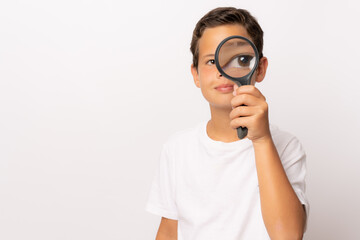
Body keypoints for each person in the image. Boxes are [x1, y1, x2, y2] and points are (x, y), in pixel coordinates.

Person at [145, 7, 309, 240]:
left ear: (259, 68)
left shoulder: (286, 146)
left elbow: (289, 236)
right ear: (196, 74)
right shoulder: (177, 149)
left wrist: (262, 140)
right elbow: (170, 231)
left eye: (241, 59)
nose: (223, 71)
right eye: (212, 61)